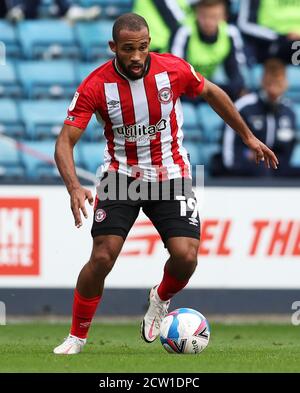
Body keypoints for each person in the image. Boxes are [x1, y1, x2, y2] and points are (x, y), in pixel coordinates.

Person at [53, 13, 278, 355]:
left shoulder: (172, 69)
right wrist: (73, 186)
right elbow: (64, 142)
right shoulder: (96, 85)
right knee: (102, 256)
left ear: (149, 45)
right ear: (114, 47)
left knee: (186, 257)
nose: (136, 56)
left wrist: (247, 137)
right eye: (128, 49)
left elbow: (212, 92)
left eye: (143, 47)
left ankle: (160, 298)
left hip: (170, 174)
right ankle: (76, 336)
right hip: (122, 176)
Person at [221, 58, 298, 177]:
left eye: (279, 82)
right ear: (262, 81)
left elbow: (287, 151)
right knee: (262, 170)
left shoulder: (289, 111)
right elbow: (230, 155)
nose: (274, 88)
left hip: (276, 171)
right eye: (270, 82)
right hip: (245, 170)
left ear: (286, 83)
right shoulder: (244, 106)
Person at [170, 0, 247, 100]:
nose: (208, 21)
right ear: (196, 14)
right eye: (204, 16)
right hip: (188, 92)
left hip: (210, 84)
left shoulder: (231, 33)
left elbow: (236, 74)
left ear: (224, 17)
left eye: (214, 17)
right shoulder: (184, 32)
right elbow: (176, 74)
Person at [238, 0, 300, 64]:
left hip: (293, 43)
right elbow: (245, 24)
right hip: (268, 42)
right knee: (273, 60)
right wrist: (280, 37)